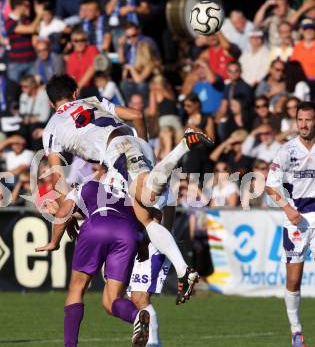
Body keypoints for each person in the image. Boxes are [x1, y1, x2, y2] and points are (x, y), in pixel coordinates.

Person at [42, 74, 211, 304]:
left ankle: (182, 146)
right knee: (145, 213)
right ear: (74, 93)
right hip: (131, 144)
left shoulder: (51, 128)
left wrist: (64, 211)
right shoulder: (92, 101)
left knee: (147, 196)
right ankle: (184, 270)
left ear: (52, 103)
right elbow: (137, 115)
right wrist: (144, 146)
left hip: (117, 149)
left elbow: (56, 175)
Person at [35, 172, 150, 347]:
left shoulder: (86, 186)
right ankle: (136, 316)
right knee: (114, 298)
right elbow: (142, 223)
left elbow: (64, 212)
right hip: (127, 232)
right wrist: (142, 245)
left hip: (97, 227)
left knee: (77, 288)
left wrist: (54, 242)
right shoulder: (129, 195)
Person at [265, 101, 315, 347]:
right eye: (300, 120)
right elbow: (270, 185)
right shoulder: (287, 151)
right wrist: (287, 209)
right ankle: (296, 329)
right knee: (294, 279)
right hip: (297, 218)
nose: (304, 124)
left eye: (308, 119)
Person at [4, 0, 44, 81]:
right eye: (25, 5)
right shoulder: (9, 22)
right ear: (19, 6)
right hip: (16, 64)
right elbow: (31, 29)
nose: (27, 7)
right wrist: (39, 14)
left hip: (31, 61)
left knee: (33, 89)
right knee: (15, 90)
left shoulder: (26, 20)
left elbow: (34, 32)